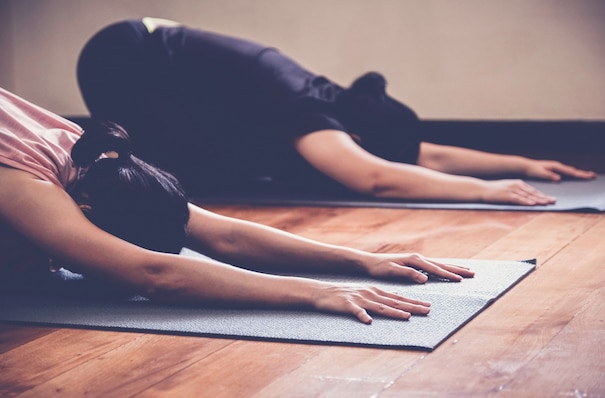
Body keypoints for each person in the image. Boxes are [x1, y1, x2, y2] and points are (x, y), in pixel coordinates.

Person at [0, 86, 475, 324]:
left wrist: (362, 261)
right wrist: (315, 293)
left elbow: (219, 233)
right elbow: (152, 274)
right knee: (27, 268)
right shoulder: (33, 181)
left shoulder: (98, 155)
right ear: (83, 212)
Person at [76, 18, 595, 205]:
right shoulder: (306, 110)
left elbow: (423, 156)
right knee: (185, 178)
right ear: (355, 131)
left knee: (258, 164)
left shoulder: (338, 104)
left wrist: (521, 165)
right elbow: (377, 179)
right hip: (124, 58)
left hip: (163, 54)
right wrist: (489, 192)